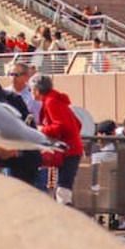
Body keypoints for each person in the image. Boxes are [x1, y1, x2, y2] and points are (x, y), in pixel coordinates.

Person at [32, 74, 85, 204]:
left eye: (32, 89)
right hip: (71, 148)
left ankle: (67, 217)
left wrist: (41, 130)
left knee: (63, 188)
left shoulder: (51, 102)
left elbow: (60, 126)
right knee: (63, 186)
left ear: (37, 90)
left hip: (67, 150)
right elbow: (77, 123)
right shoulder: (56, 100)